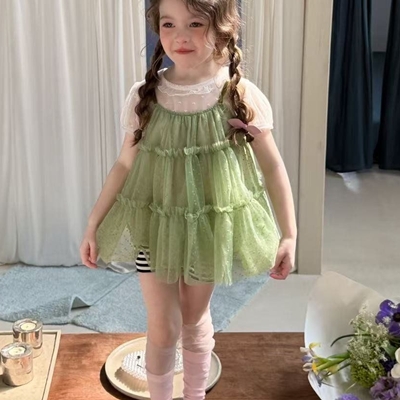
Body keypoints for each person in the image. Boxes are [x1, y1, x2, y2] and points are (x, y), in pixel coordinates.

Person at [80, 0, 297, 398]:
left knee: (194, 320)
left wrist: (289, 234)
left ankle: (194, 394)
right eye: (169, 24)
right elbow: (124, 165)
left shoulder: (238, 94)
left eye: (195, 23)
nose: (180, 36)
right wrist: (94, 222)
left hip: (206, 231)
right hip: (155, 227)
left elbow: (272, 167)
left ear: (223, 28)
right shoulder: (145, 96)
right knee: (163, 327)